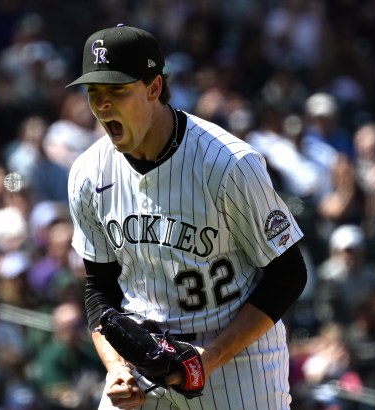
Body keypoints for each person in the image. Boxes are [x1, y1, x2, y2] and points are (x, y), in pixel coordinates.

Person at [66, 24, 308, 409]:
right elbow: (100, 288)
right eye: (95, 93)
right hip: (143, 354)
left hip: (236, 361)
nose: (103, 105)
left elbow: (289, 274)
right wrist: (115, 367)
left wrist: (205, 360)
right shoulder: (88, 173)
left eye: (117, 91)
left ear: (154, 88)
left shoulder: (229, 165)